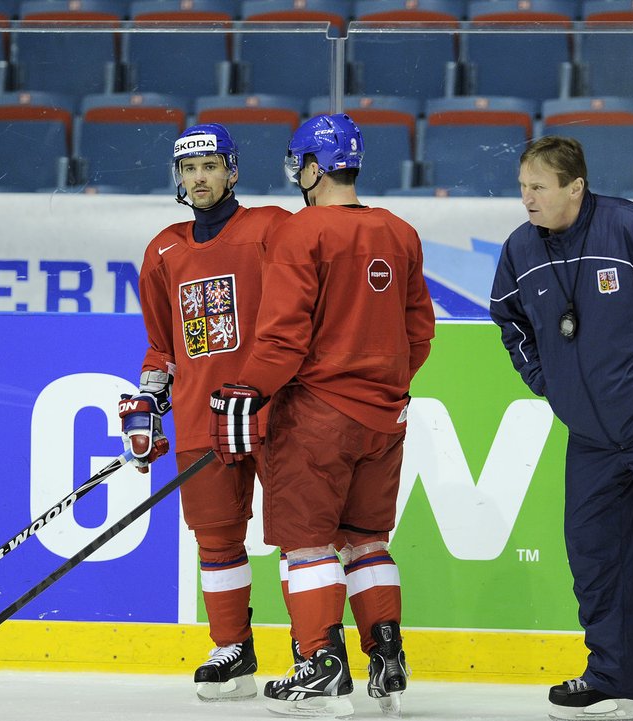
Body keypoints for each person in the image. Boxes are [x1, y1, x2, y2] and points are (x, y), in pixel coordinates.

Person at [207, 113, 436, 718]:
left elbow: (281, 339)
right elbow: (420, 333)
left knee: (307, 546)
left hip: (315, 417)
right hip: (384, 418)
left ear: (312, 167)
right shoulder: (400, 231)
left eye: (299, 163)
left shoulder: (301, 232)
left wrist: (244, 391)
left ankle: (321, 665)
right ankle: (386, 656)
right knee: (366, 541)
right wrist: (382, 386)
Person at [489, 136, 633, 721]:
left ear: (576, 186)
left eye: (538, 187)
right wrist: (545, 380)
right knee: (595, 555)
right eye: (522, 187)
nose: (527, 199)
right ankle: (613, 676)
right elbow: (509, 320)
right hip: (591, 435)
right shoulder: (520, 250)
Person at [118, 123, 291, 702]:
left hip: (272, 411)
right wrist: (148, 401)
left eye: (210, 167)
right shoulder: (163, 248)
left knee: (302, 534)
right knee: (215, 538)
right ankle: (232, 650)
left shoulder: (272, 228)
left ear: (233, 171)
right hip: (199, 417)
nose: (199, 178)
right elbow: (162, 346)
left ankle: (314, 650)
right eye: (189, 169)